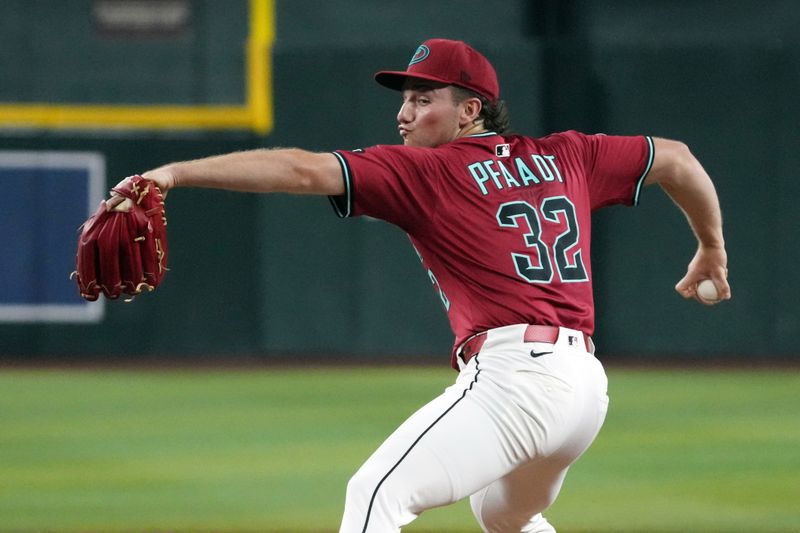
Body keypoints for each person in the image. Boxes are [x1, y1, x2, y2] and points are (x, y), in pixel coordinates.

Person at [112, 38, 730, 532]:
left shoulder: (430, 171)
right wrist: (711, 246)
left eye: (423, 98)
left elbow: (301, 170)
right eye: (404, 97)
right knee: (506, 515)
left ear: (470, 110)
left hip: (518, 379)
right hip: (583, 391)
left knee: (374, 495)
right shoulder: (569, 155)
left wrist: (172, 172)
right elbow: (674, 157)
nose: (404, 112)